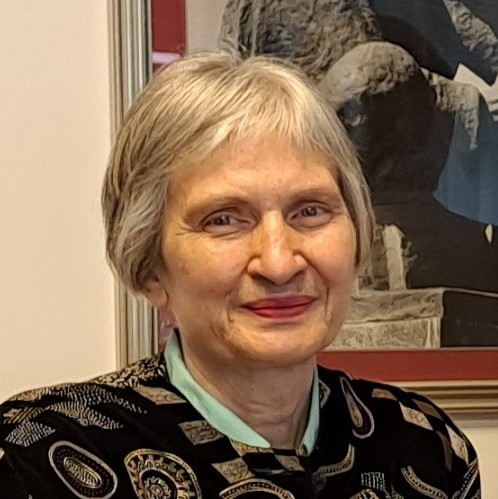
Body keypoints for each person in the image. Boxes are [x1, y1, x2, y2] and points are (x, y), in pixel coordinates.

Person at [0, 52, 480, 498]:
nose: (279, 263)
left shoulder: (427, 447)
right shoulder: (40, 456)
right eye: (224, 219)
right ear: (149, 267)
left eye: (310, 211)